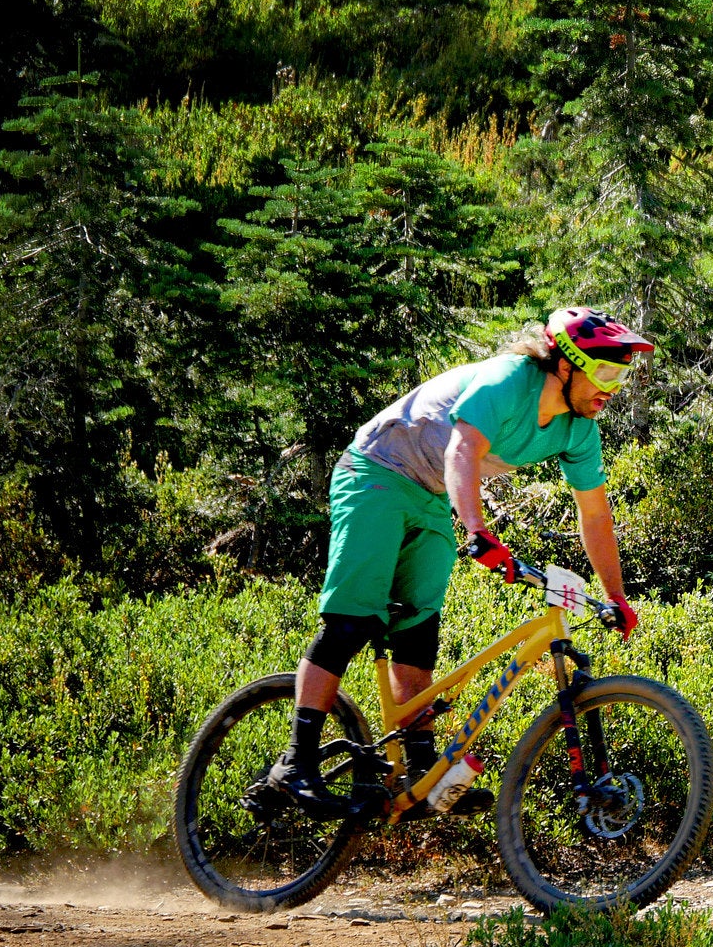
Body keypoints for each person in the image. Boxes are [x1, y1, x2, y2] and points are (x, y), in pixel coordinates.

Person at [265, 307, 654, 815]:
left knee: (418, 631)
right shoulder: (507, 381)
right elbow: (462, 451)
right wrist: (477, 532)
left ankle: (422, 770)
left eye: (621, 375)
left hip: (429, 496)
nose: (614, 386)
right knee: (352, 620)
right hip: (376, 472)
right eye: (605, 372)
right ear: (566, 364)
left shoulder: (578, 429)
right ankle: (295, 762)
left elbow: (595, 516)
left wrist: (616, 595)